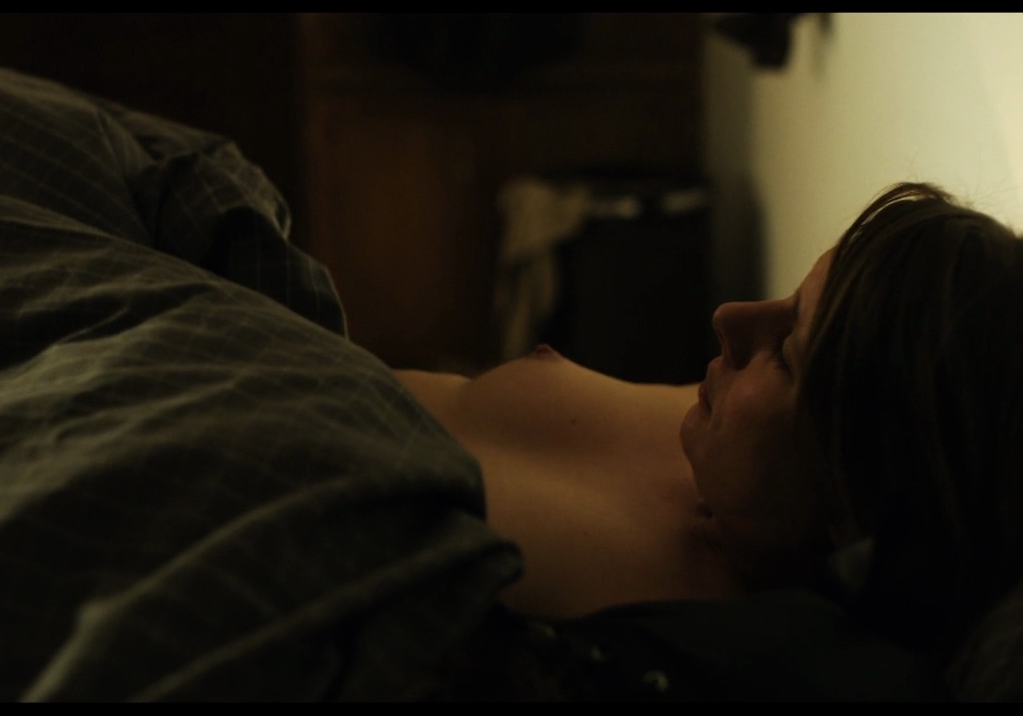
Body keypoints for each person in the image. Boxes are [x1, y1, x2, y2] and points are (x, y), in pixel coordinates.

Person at [399, 182, 1023, 700]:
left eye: (785, 354)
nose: (729, 316)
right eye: (791, 300)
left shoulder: (714, 654)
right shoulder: (730, 436)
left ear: (855, 519)